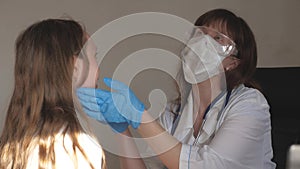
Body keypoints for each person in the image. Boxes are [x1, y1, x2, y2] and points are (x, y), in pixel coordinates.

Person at [77, 8, 276, 169]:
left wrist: (139, 116)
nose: (202, 42)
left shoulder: (250, 105)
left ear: (232, 63)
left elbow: (208, 166)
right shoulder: (173, 114)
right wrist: (123, 131)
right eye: (200, 33)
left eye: (217, 38)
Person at [0, 18, 104, 168]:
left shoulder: (15, 144)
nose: (98, 70)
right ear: (75, 67)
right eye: (94, 56)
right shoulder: (76, 147)